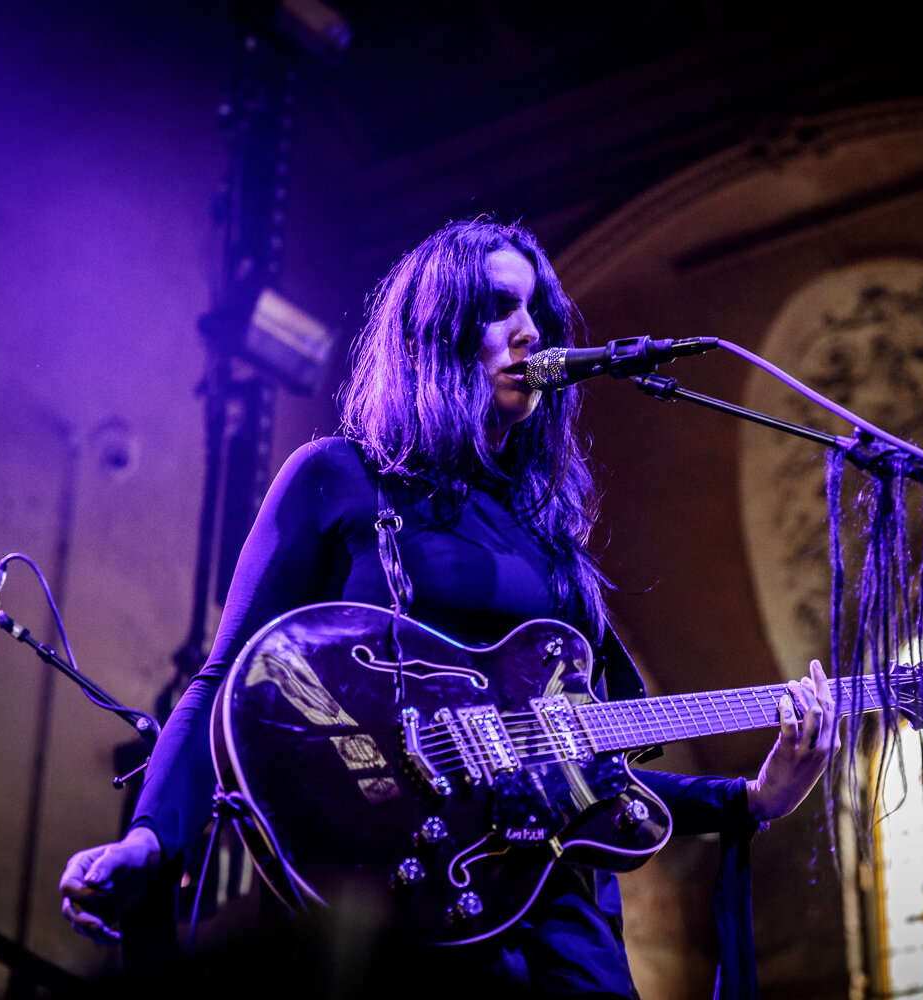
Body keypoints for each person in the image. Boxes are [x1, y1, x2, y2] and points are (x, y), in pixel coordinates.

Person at [60, 219, 835, 997]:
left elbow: (572, 768)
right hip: (394, 897)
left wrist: (750, 800)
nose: (530, 332)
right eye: (501, 308)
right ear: (439, 329)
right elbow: (222, 680)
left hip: (560, 919)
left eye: (537, 312)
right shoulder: (338, 477)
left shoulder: (550, 535)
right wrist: (152, 838)